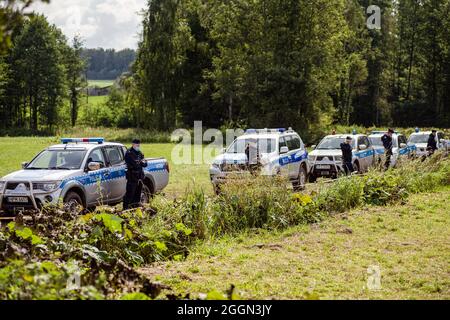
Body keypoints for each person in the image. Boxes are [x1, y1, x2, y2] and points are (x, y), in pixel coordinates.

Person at [123, 139, 148, 210]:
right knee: (130, 194)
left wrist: (141, 162)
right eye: (137, 145)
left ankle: (135, 208)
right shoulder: (129, 153)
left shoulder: (139, 153)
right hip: (132, 177)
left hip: (139, 176)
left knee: (138, 193)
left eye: (139, 145)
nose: (138, 147)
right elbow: (135, 164)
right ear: (133, 144)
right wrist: (140, 162)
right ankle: (126, 208)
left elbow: (145, 164)